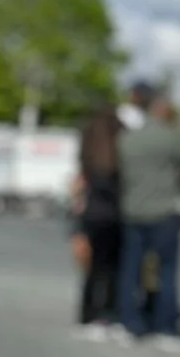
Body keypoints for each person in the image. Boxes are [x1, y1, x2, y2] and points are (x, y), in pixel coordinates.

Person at [116, 83, 180, 346]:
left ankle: (129, 322)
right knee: (167, 271)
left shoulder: (128, 139)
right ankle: (165, 326)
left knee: (130, 270)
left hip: (133, 209)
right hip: (163, 210)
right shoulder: (169, 137)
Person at [71, 104, 122, 338]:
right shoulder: (118, 161)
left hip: (92, 214)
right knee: (112, 269)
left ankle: (86, 313)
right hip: (115, 215)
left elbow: (79, 184)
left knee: (91, 268)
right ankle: (108, 312)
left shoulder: (90, 152)